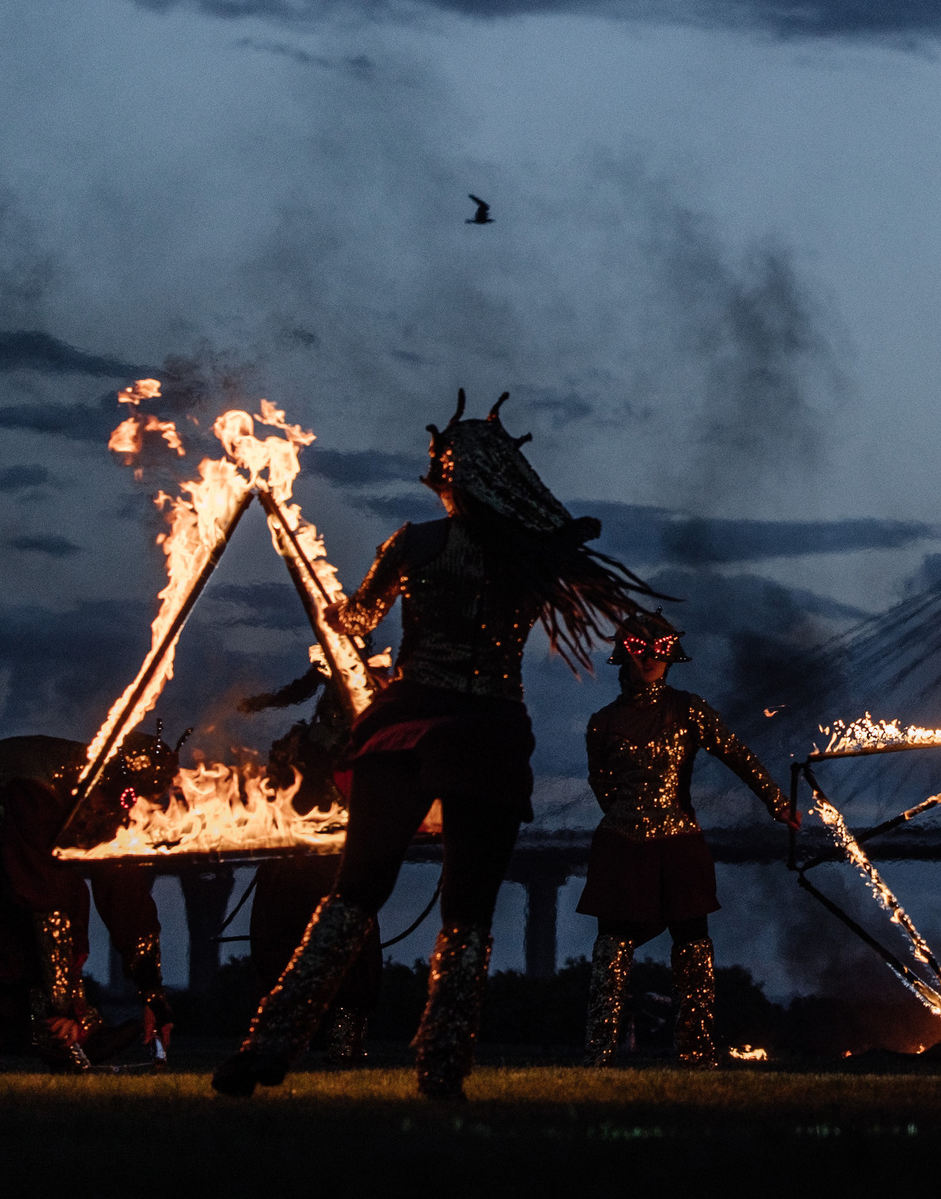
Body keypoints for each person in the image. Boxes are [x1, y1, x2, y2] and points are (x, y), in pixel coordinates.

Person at [214, 391, 669, 1100]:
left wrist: (337, 610)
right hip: (490, 732)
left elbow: (357, 621)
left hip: (410, 722)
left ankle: (271, 1043)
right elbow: (564, 540)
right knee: (468, 910)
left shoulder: (413, 544)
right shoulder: (530, 559)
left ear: (449, 477)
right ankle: (443, 1065)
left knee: (356, 890)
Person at [579, 608, 797, 1066]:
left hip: (678, 841)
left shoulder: (687, 709)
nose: (649, 659)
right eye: (639, 649)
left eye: (658, 650)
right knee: (612, 946)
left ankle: (696, 1051)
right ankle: (598, 1053)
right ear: (623, 654)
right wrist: (629, 816)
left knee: (693, 943)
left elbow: (736, 753)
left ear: (671, 655)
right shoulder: (602, 722)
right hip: (620, 842)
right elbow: (601, 783)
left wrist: (776, 802)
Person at [0, 731, 180, 1072]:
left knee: (54, 919)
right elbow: (46, 899)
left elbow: (125, 896)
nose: (126, 810)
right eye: (126, 796)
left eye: (140, 802)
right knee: (26, 946)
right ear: (107, 775)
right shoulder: (39, 789)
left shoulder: (114, 804)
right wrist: (64, 1007)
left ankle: (61, 1038)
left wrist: (152, 993)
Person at [237, 646, 379, 1066]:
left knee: (354, 958)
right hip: (298, 862)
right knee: (281, 951)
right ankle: (280, 1039)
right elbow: (301, 690)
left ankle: (341, 1043)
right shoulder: (302, 746)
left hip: (338, 863)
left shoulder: (363, 738)